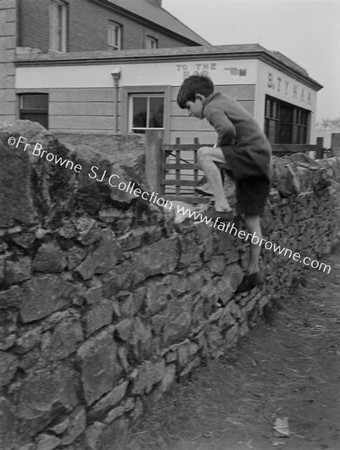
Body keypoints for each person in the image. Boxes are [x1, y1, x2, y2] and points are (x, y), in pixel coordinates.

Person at [177, 75, 272, 293]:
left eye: (189, 107)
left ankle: (220, 205)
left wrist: (218, 151)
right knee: (251, 220)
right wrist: (222, 152)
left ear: (200, 98)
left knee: (204, 154)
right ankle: (253, 271)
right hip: (261, 164)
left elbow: (227, 131)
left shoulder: (212, 107)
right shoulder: (225, 102)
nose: (189, 113)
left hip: (251, 156)